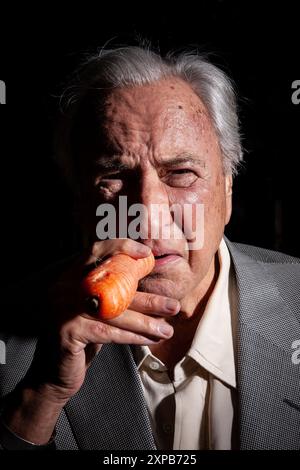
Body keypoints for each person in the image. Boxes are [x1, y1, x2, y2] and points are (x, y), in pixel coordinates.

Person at [0, 46, 299, 451]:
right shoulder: (12, 337)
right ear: (78, 201)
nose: (149, 216)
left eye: (181, 174)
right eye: (115, 176)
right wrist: (41, 398)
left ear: (227, 190)